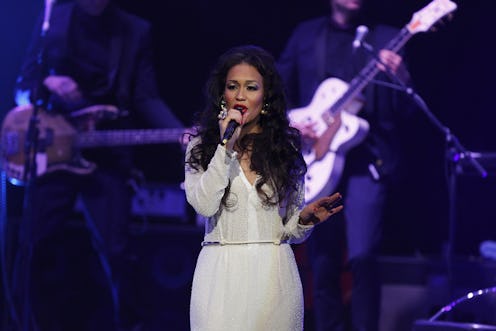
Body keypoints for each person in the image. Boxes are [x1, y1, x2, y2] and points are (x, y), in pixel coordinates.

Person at [9, 0, 184, 330]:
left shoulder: (134, 30)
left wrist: (179, 132)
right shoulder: (53, 18)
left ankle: (130, 324)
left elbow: (146, 97)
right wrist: (47, 83)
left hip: (106, 154)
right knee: (32, 246)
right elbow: (23, 86)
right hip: (54, 154)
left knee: (118, 253)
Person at [184, 44, 344, 331]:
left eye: (251, 87)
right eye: (233, 86)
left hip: (273, 274)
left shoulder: (285, 147)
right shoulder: (200, 147)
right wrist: (225, 147)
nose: (241, 95)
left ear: (266, 97)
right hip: (220, 271)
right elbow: (205, 205)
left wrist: (305, 220)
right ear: (223, 94)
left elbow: (288, 229)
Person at [276, 0, 413, 330]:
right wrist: (290, 124)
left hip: (367, 162)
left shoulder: (386, 38)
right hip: (318, 160)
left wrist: (401, 75)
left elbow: (405, 109)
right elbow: (277, 90)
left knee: (363, 258)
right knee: (323, 263)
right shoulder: (306, 34)